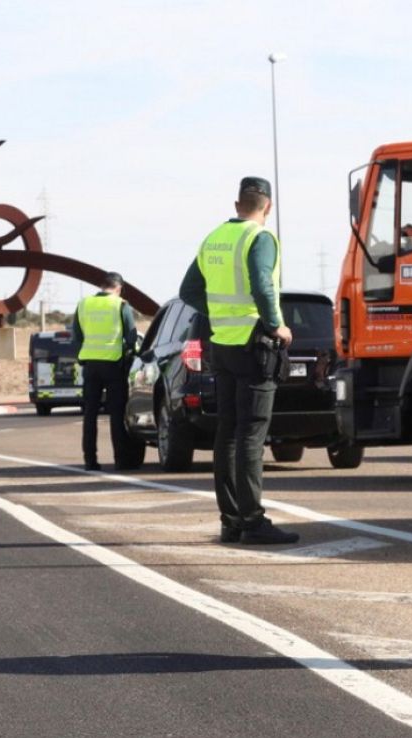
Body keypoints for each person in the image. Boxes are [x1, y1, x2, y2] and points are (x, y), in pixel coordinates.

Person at [178, 177, 298, 545]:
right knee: (252, 433)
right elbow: (263, 283)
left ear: (237, 205)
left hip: (223, 345)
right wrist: (276, 325)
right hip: (253, 343)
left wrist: (217, 312)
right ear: (268, 207)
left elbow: (188, 291)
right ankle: (253, 520)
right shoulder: (260, 238)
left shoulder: (213, 238)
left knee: (227, 433)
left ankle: (231, 519)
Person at [72, 272, 138, 471]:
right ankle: (121, 460)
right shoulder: (120, 305)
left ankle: (90, 461)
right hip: (114, 364)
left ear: (103, 286)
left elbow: (76, 335)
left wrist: (82, 357)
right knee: (116, 414)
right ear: (118, 288)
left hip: (90, 365)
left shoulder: (83, 304)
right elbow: (132, 337)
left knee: (90, 414)